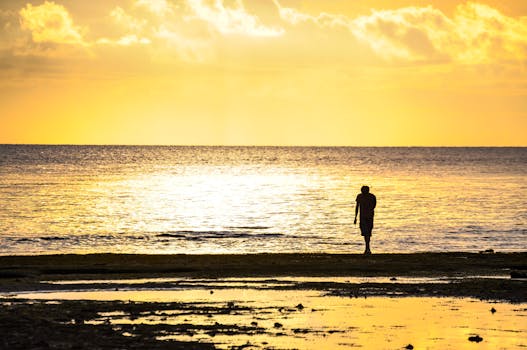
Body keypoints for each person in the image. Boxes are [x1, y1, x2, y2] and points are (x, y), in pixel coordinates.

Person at [354, 185, 376, 254]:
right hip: (363, 217)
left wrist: (368, 211)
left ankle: (367, 248)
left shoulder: (372, 196)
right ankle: (367, 248)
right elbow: (357, 206)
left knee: (368, 232)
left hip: (368, 217)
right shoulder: (359, 196)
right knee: (365, 232)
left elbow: (374, 206)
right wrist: (355, 217)